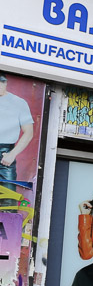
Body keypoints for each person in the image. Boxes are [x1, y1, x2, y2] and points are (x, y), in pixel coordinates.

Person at [0, 72, 35, 208]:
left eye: (2, 82)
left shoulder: (18, 102)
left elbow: (29, 132)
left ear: (6, 83)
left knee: (8, 202)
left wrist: (12, 154)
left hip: (5, 152)